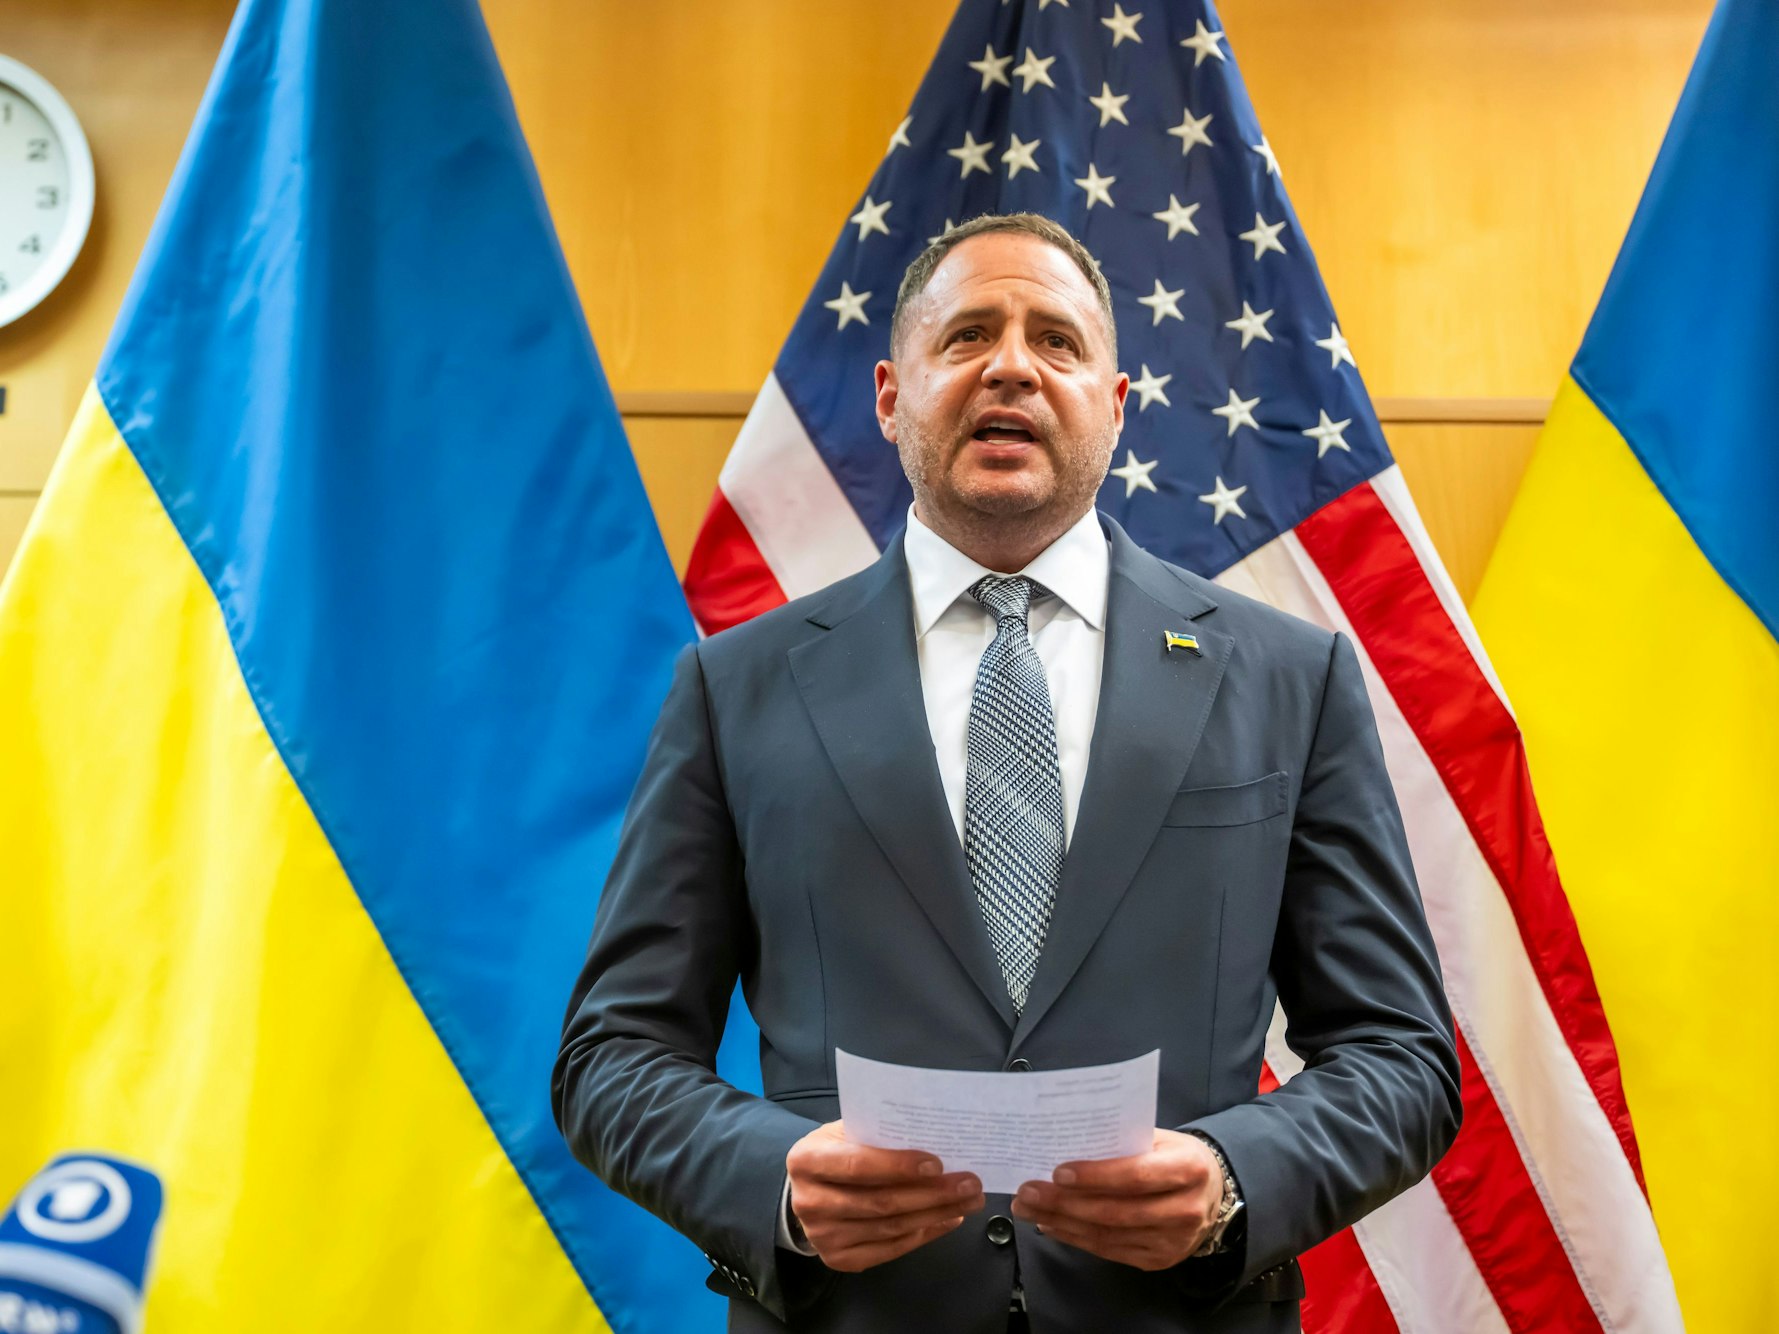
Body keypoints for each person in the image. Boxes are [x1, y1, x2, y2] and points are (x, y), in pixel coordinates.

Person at [553, 213, 1461, 1333]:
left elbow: (1403, 1054)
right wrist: (776, 1180)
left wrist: (1233, 1175)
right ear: (891, 396)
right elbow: (613, 1053)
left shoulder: (1290, 676)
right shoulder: (734, 689)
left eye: (1058, 341)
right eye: (969, 333)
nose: (1013, 366)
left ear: (1117, 407)